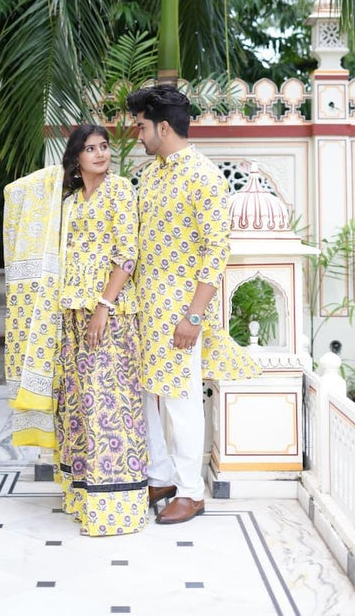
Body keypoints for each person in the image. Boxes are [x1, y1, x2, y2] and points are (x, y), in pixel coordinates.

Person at [3, 124, 148, 537]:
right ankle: (83, 497)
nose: (101, 154)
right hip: (69, 313)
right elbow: (18, 193)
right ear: (76, 158)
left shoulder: (119, 191)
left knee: (110, 407)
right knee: (78, 408)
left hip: (111, 315)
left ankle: (115, 510)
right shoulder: (65, 202)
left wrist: (104, 306)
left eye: (104, 147)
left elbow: (126, 256)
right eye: (90, 148)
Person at [126, 85, 260, 526]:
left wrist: (194, 317)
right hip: (144, 310)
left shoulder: (204, 176)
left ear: (163, 126)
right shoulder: (151, 175)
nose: (136, 134)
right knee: (148, 397)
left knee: (181, 401)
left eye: (141, 125)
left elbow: (214, 253)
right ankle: (160, 476)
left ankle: (191, 491)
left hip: (181, 314)